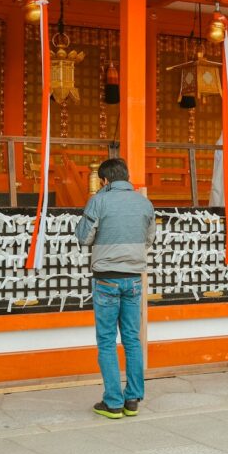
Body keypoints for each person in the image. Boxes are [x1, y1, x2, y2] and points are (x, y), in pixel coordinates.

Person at [74, 158, 155, 420]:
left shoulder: (99, 200)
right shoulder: (144, 202)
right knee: (132, 340)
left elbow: (83, 237)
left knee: (107, 341)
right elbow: (150, 239)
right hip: (134, 278)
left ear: (105, 181)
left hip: (106, 278)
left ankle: (112, 402)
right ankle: (133, 400)